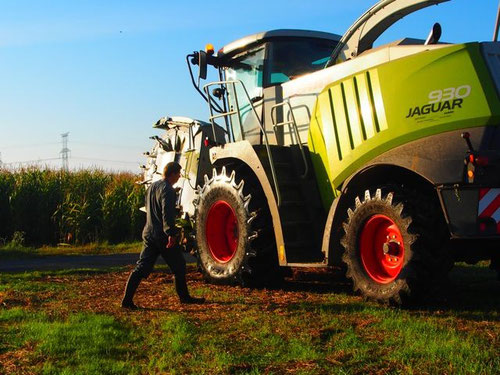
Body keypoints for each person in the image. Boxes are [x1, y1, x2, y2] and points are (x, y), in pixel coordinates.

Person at [121, 161, 205, 309]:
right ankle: (184, 298)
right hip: (162, 236)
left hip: (149, 232)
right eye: (178, 174)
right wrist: (171, 234)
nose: (179, 176)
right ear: (172, 174)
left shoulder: (153, 186)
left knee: (141, 267)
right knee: (179, 266)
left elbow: (149, 209)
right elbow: (167, 214)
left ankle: (126, 300)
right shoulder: (168, 190)